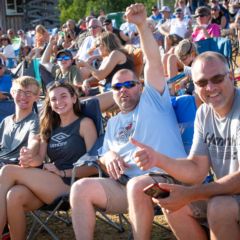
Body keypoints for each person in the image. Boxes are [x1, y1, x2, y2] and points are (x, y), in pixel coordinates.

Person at [70, 4, 186, 240]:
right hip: (126, 184)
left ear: (140, 86)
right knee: (79, 188)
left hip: (165, 179)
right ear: (111, 92)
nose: (123, 90)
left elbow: (153, 60)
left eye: (129, 85)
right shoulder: (112, 122)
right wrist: (107, 156)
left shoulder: (153, 101)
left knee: (137, 186)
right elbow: (103, 153)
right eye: (117, 87)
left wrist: (141, 25)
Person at [130, 51, 240, 240]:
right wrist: (158, 159)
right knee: (172, 202)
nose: (210, 87)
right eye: (202, 83)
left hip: (230, 196)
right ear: (195, 86)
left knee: (219, 206)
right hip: (229, 194)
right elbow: (197, 168)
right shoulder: (204, 113)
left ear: (231, 77)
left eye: (217, 79)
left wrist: (190, 194)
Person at [0, 81, 98, 239]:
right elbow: (39, 160)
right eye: (53, 99)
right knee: (14, 195)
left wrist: (62, 172)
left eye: (63, 96)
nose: (58, 102)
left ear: (74, 98)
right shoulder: (49, 126)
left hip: (75, 183)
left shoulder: (84, 124)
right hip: (50, 182)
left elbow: (94, 166)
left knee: (7, 171)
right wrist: (28, 159)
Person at [0, 76, 40, 166]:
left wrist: (28, 152)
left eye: (28, 93)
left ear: (36, 97)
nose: (23, 97)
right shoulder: (6, 121)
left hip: (14, 166)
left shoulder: (35, 121)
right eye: (19, 92)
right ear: (12, 93)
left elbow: (34, 141)